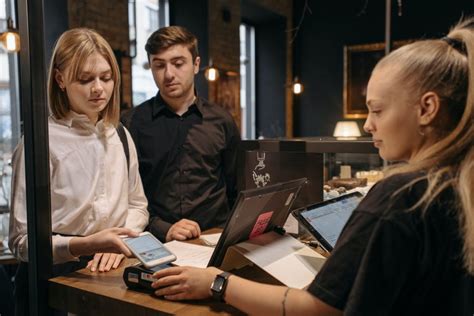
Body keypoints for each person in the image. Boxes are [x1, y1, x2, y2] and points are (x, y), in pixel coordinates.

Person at [148, 18, 474, 315]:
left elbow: (317, 309)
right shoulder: (457, 182)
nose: (368, 126)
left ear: (427, 108)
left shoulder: (399, 196)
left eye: (376, 110)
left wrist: (216, 282)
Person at [9, 28, 149, 314]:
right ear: (60, 79)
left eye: (106, 78)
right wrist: (85, 245)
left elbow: (138, 206)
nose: (98, 88)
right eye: (85, 79)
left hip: (112, 271)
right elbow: (20, 242)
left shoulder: (119, 134)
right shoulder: (40, 143)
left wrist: (118, 241)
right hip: (54, 281)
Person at [122, 26, 241, 242]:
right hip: (156, 241)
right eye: (159, 65)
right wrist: (162, 228)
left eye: (178, 64)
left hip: (215, 237)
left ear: (196, 65)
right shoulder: (131, 123)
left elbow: (236, 187)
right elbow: (125, 197)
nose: (169, 74)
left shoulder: (222, 120)